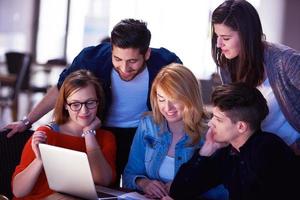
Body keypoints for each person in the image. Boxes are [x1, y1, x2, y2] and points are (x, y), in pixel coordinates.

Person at [2, 18, 182, 185]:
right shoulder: (91, 58)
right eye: (117, 59)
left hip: (142, 135)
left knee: (138, 186)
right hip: (100, 130)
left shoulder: (166, 63)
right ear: (111, 48)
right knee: (101, 186)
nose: (124, 68)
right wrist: (27, 121)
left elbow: (184, 96)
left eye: (133, 61)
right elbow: (61, 89)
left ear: (147, 54)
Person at [168, 82, 299, 200]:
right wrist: (206, 151)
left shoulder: (268, 150)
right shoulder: (227, 151)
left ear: (241, 126)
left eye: (218, 119)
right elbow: (178, 192)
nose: (210, 124)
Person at [123, 63, 228, 200]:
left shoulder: (211, 132)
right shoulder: (147, 125)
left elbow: (223, 192)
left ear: (190, 97)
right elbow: (129, 175)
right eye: (161, 99)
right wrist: (144, 183)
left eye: (175, 100)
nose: (167, 108)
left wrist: (182, 187)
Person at [210, 0, 300, 153]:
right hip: (256, 155)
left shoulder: (286, 61)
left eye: (225, 38)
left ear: (247, 36)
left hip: (291, 155)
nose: (219, 44)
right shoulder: (227, 65)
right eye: (217, 36)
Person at [11, 70, 116, 199]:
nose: (84, 111)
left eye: (90, 102)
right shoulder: (46, 134)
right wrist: (39, 160)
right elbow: (18, 191)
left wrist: (89, 134)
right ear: (66, 105)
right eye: (75, 104)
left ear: (98, 102)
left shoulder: (106, 138)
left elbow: (103, 180)